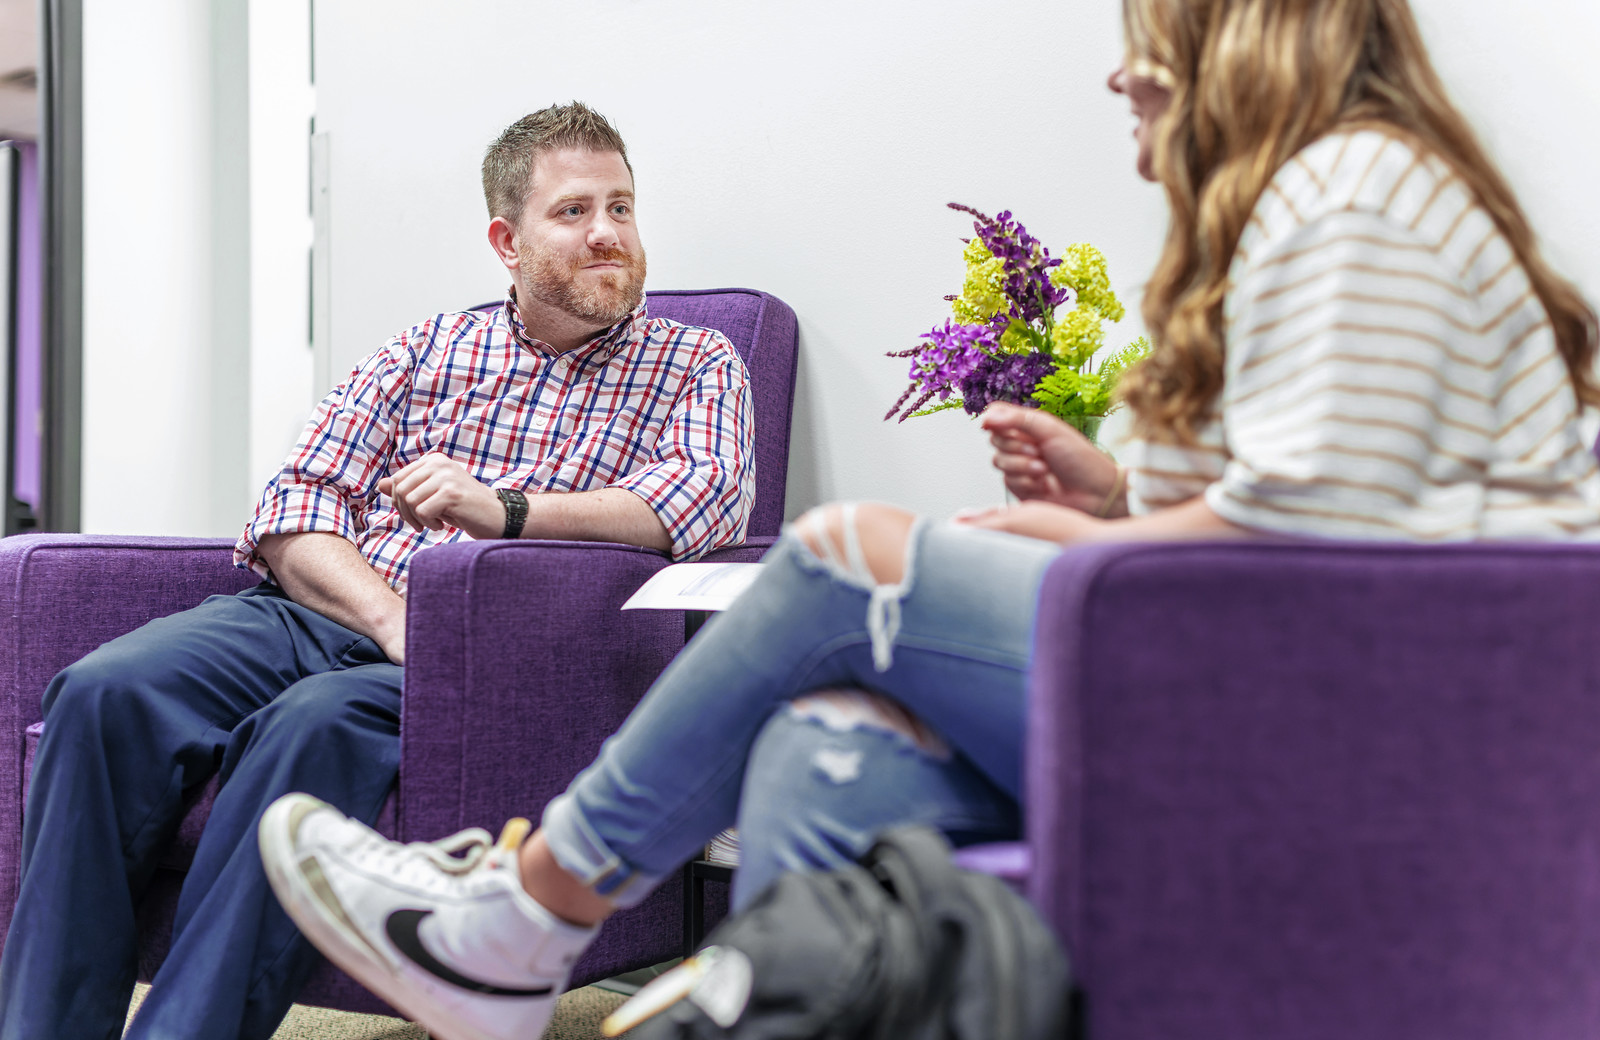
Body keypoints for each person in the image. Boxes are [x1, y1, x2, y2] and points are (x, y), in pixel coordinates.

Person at [258, 2, 1600, 1039]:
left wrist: (1077, 549)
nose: (1121, 73)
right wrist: (1114, 502)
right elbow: (1318, 514)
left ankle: (524, 920)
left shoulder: (1353, 193)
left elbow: (1302, 574)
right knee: (828, 745)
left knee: (847, 558)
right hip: (1265, 670)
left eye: (1144, 37)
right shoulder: (1332, 201)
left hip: (1358, 724)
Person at [0, 101, 755, 1040]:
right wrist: (392, 618)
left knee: (307, 728)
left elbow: (701, 501)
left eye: (622, 207)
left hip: (488, 651)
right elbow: (294, 505)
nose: (608, 234)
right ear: (507, 240)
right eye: (573, 212)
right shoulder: (427, 349)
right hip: (324, 611)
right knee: (102, 693)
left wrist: (504, 513)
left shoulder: (696, 362)